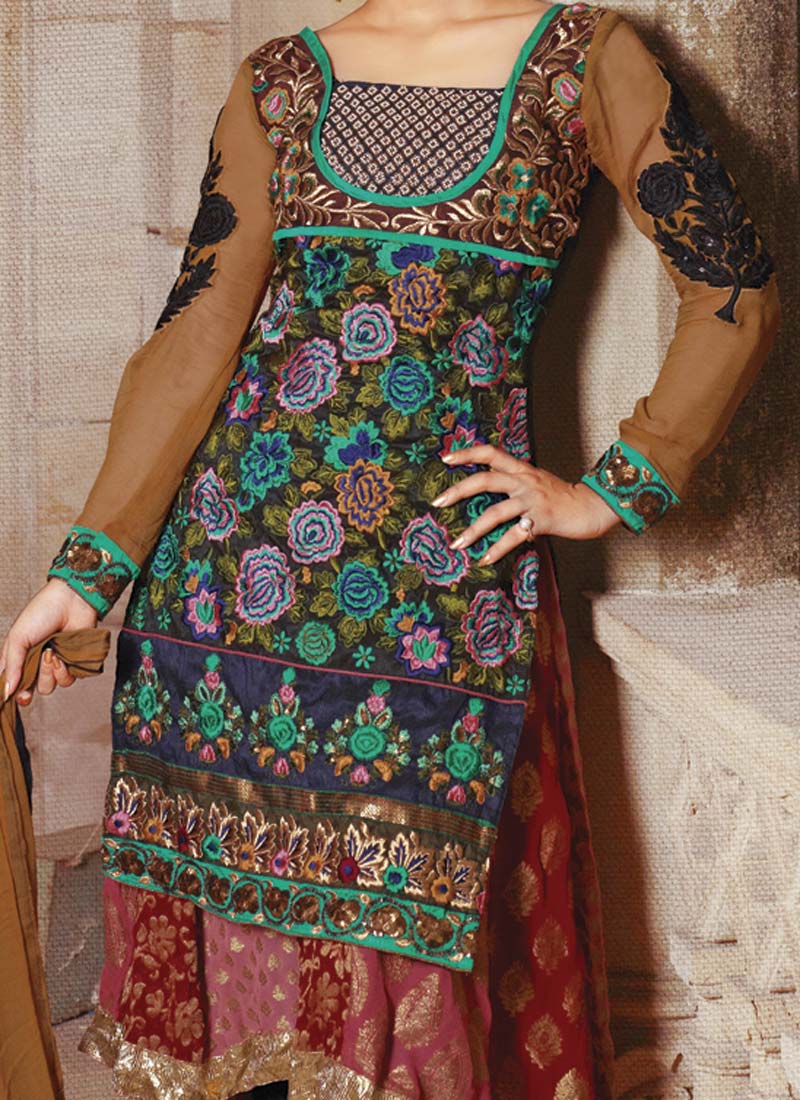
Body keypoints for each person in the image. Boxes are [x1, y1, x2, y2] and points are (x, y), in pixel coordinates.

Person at [0, 1, 780, 1097]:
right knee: (252, 1012)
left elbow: (734, 284)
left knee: (419, 991)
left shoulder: (583, 58)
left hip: (439, 604)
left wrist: (614, 486)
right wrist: (86, 573)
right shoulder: (280, 80)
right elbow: (198, 328)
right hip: (220, 597)